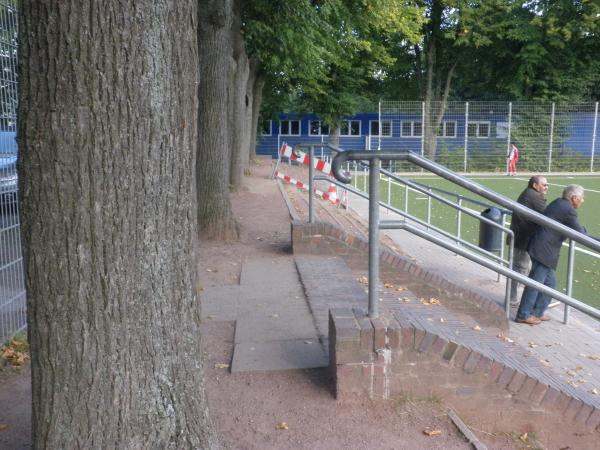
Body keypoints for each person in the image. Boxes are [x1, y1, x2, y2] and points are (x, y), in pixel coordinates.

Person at [516, 184, 587, 325]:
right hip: (543, 251)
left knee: (550, 283)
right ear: (574, 198)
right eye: (581, 198)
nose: (583, 201)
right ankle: (523, 314)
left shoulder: (559, 203)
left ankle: (537, 312)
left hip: (543, 249)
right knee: (536, 284)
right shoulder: (568, 210)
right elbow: (580, 232)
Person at [509, 175, 548, 307]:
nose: (546, 187)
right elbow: (546, 216)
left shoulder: (529, 193)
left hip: (521, 238)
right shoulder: (535, 196)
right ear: (535, 185)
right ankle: (513, 299)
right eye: (544, 185)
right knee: (520, 269)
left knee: (521, 269)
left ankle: (516, 298)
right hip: (523, 239)